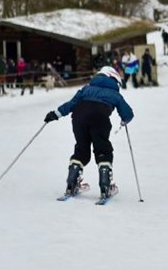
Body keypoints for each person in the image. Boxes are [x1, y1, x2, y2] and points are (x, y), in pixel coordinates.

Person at [45, 66, 135, 200]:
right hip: (100, 119)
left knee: (82, 149)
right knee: (103, 150)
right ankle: (106, 185)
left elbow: (71, 104)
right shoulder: (114, 94)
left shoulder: (86, 89)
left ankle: (72, 183)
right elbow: (128, 114)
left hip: (79, 118)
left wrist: (56, 114)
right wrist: (125, 121)